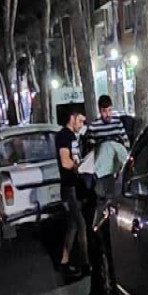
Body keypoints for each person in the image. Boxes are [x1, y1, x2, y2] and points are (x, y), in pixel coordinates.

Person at [56, 107, 89, 280]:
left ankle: (64, 260)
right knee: (81, 224)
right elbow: (65, 161)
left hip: (74, 186)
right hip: (69, 188)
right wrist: (80, 166)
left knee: (73, 225)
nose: (81, 124)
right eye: (80, 121)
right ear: (72, 118)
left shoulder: (72, 136)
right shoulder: (64, 136)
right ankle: (86, 264)